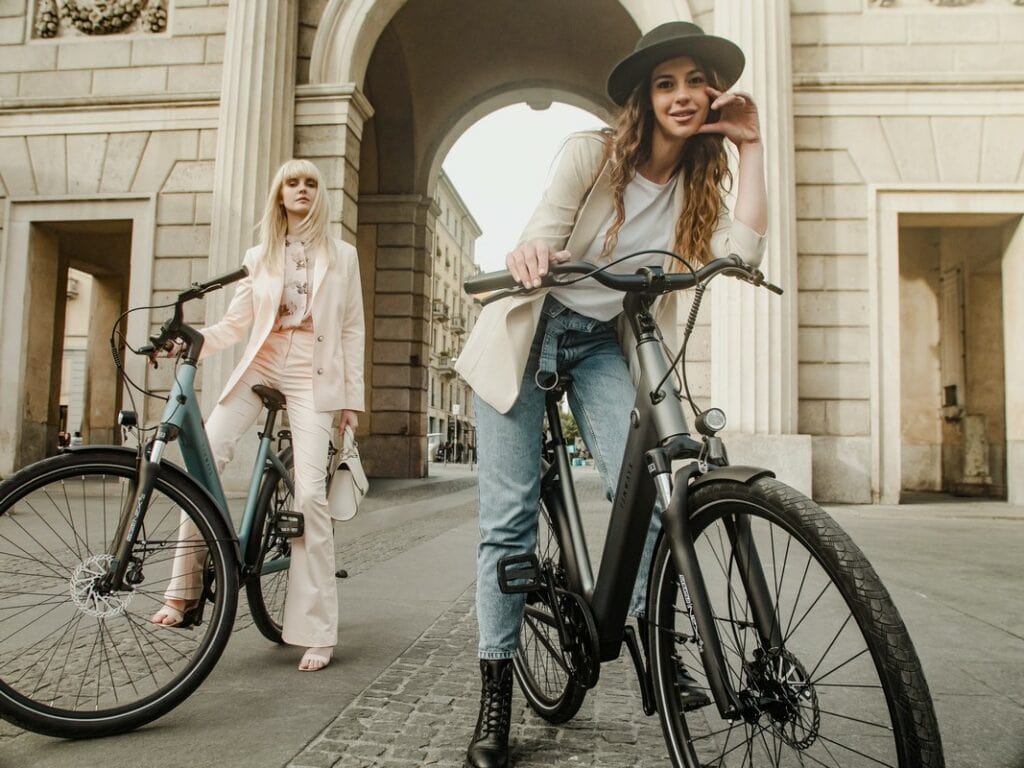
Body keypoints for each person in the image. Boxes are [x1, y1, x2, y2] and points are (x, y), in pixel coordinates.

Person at [454, 21, 767, 767]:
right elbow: (539, 232)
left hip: (606, 343)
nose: (684, 95)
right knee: (507, 521)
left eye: (696, 82)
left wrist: (751, 145)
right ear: (644, 97)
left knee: (661, 483)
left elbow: (744, 249)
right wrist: (530, 252)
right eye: (666, 83)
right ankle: (496, 690)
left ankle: (645, 633)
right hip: (530, 331)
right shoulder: (590, 155)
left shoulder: (699, 179)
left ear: (712, 95)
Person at [150, 158, 365, 673]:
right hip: (262, 361)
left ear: (320, 194)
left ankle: (315, 629)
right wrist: (191, 344)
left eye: (311, 183)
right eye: (292, 182)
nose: (302, 190)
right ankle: (183, 591)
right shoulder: (260, 255)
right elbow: (233, 324)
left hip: (315, 371)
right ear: (279, 193)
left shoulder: (343, 256)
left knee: (311, 494)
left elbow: (352, 327)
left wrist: (352, 400)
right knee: (203, 462)